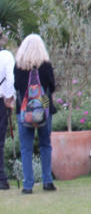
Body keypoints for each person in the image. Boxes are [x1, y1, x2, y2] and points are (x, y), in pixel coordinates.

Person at [14, 34, 57, 194]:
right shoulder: (46, 65)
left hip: (24, 109)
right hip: (43, 106)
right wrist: (44, 103)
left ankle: (28, 185)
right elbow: (51, 87)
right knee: (45, 144)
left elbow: (17, 87)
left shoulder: (19, 66)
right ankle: (47, 181)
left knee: (26, 148)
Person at [0, 30, 15, 190]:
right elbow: (11, 78)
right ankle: (1, 178)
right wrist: (10, 98)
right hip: (2, 101)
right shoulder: (5, 56)